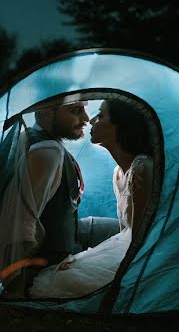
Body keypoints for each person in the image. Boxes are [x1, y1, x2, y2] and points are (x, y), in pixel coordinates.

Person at [0, 97, 120, 297]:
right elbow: (19, 225)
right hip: (53, 261)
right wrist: (15, 284)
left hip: (68, 233)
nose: (86, 118)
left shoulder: (38, 139)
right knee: (130, 247)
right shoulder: (47, 153)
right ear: (46, 113)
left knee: (126, 232)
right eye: (75, 111)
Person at [28, 97, 155, 299]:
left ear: (119, 126)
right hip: (125, 242)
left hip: (142, 251)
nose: (91, 120)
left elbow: (141, 240)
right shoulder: (118, 173)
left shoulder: (142, 167)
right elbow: (124, 232)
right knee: (66, 271)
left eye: (101, 115)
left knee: (62, 281)